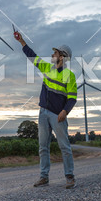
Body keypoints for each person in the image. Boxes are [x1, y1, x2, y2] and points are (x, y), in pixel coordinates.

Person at [15, 31, 78, 189]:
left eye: (55, 52)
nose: (52, 54)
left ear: (62, 56)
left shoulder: (69, 76)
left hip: (58, 116)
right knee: (43, 147)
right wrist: (22, 41)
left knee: (64, 147)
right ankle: (44, 177)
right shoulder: (47, 68)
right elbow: (33, 57)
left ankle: (69, 176)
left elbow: (72, 98)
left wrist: (65, 111)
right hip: (43, 113)